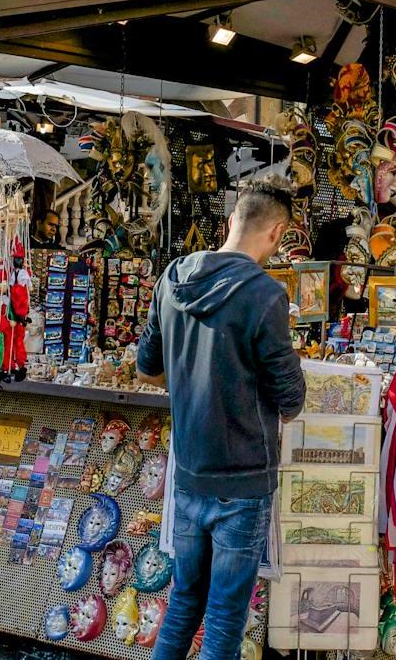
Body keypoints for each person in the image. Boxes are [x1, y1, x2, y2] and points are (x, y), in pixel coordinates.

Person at [137, 181, 305, 660]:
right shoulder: (265, 295)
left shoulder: (172, 277)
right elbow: (290, 398)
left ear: (232, 219)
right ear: (276, 233)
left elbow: (147, 369)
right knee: (225, 618)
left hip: (189, 475)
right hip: (243, 481)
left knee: (184, 604)